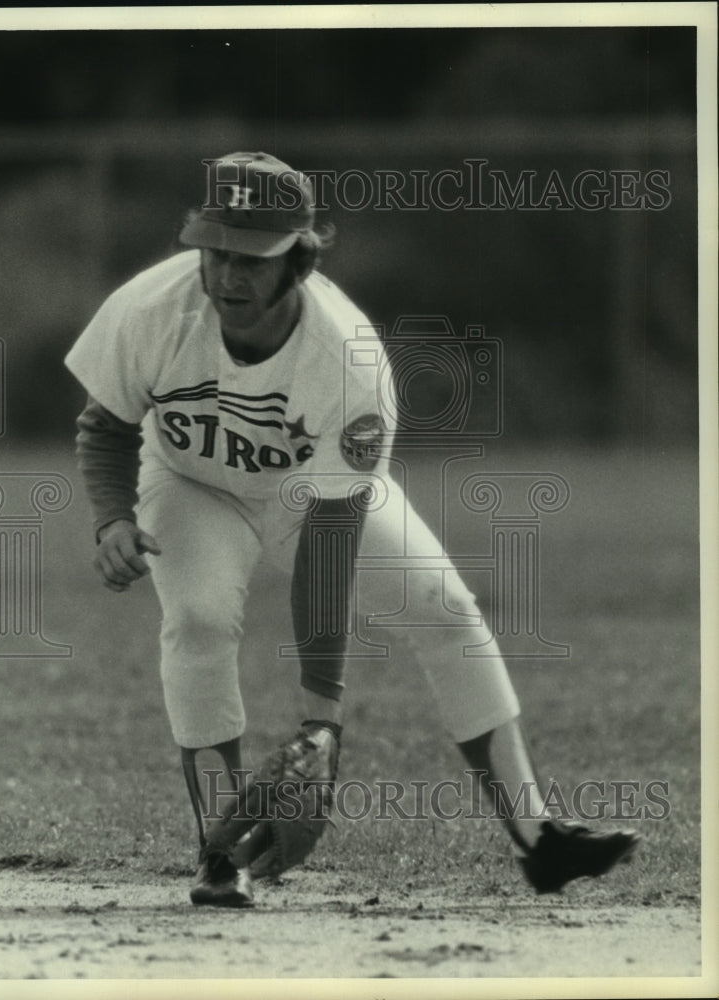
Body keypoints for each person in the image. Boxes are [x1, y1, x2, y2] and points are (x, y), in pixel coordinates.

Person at [65, 151, 639, 908]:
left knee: (446, 612)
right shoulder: (149, 310)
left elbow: (328, 538)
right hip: (191, 484)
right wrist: (111, 518)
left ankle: (539, 841)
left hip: (314, 495)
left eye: (252, 257)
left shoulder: (347, 357)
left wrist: (320, 720)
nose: (228, 276)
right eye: (215, 251)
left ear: (296, 261)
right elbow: (105, 426)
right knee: (199, 620)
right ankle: (219, 851)